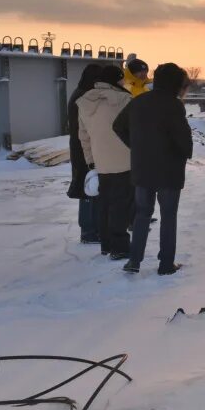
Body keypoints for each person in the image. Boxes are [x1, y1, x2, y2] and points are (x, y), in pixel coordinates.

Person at [114, 64, 192, 276]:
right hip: (169, 170)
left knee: (142, 214)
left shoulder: (138, 102)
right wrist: (184, 151)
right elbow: (183, 138)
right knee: (168, 216)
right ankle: (166, 264)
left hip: (143, 168)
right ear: (175, 83)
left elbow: (117, 126)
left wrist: (137, 147)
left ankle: (134, 260)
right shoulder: (174, 106)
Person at [77, 65, 133, 258]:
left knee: (104, 204)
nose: (123, 82)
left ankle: (107, 245)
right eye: (121, 79)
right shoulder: (125, 99)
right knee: (121, 206)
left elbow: (83, 136)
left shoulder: (84, 102)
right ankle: (120, 248)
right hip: (125, 159)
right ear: (115, 80)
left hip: (101, 161)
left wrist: (91, 161)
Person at [67, 64, 105, 244]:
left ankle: (92, 229)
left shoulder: (80, 92)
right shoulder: (85, 96)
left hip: (81, 146)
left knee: (90, 187)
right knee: (89, 188)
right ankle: (89, 231)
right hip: (85, 148)